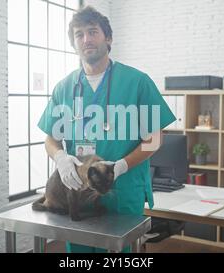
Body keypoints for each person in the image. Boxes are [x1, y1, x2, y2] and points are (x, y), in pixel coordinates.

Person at [37, 6, 175, 253]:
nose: (86, 39)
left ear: (108, 38)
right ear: (74, 43)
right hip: (80, 195)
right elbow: (51, 138)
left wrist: (121, 166)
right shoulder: (63, 88)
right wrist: (60, 158)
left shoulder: (137, 82)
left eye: (92, 32)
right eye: (79, 34)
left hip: (122, 191)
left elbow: (155, 139)